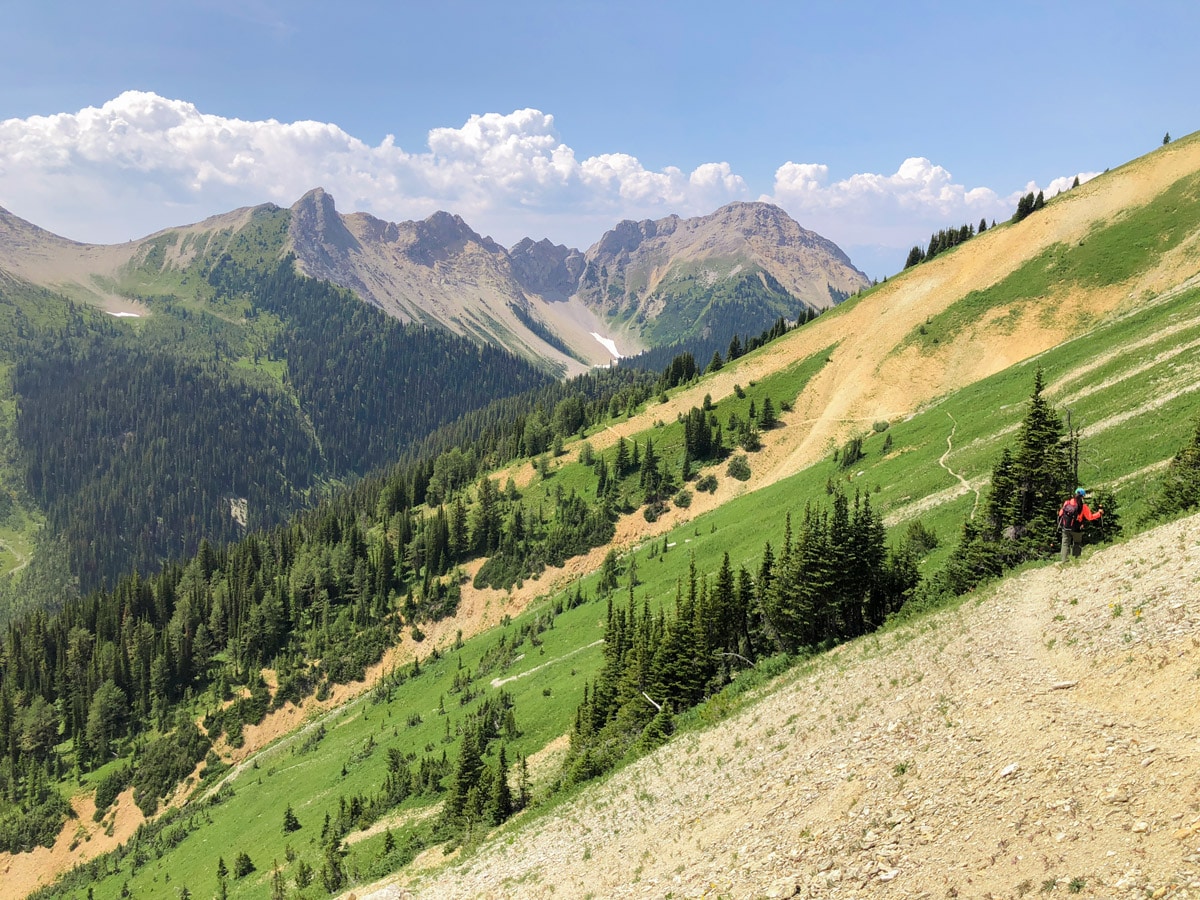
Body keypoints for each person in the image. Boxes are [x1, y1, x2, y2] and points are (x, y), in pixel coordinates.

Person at [1059, 487, 1103, 562]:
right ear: (1083, 496)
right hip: (1076, 528)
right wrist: (1099, 513)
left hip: (1065, 527)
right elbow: (1090, 517)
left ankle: (1064, 561)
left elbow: (1060, 513)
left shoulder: (1067, 502)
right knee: (1077, 542)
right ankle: (1076, 559)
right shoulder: (1083, 506)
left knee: (1065, 543)